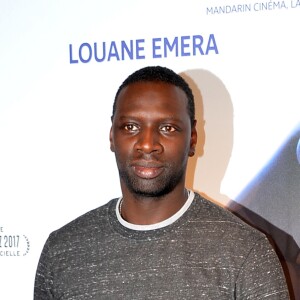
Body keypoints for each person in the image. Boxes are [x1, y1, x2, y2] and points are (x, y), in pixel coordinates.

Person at [34, 66, 290, 299]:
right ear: (112, 135)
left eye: (167, 128)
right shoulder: (62, 251)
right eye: (131, 127)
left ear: (193, 139)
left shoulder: (246, 252)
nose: (147, 144)